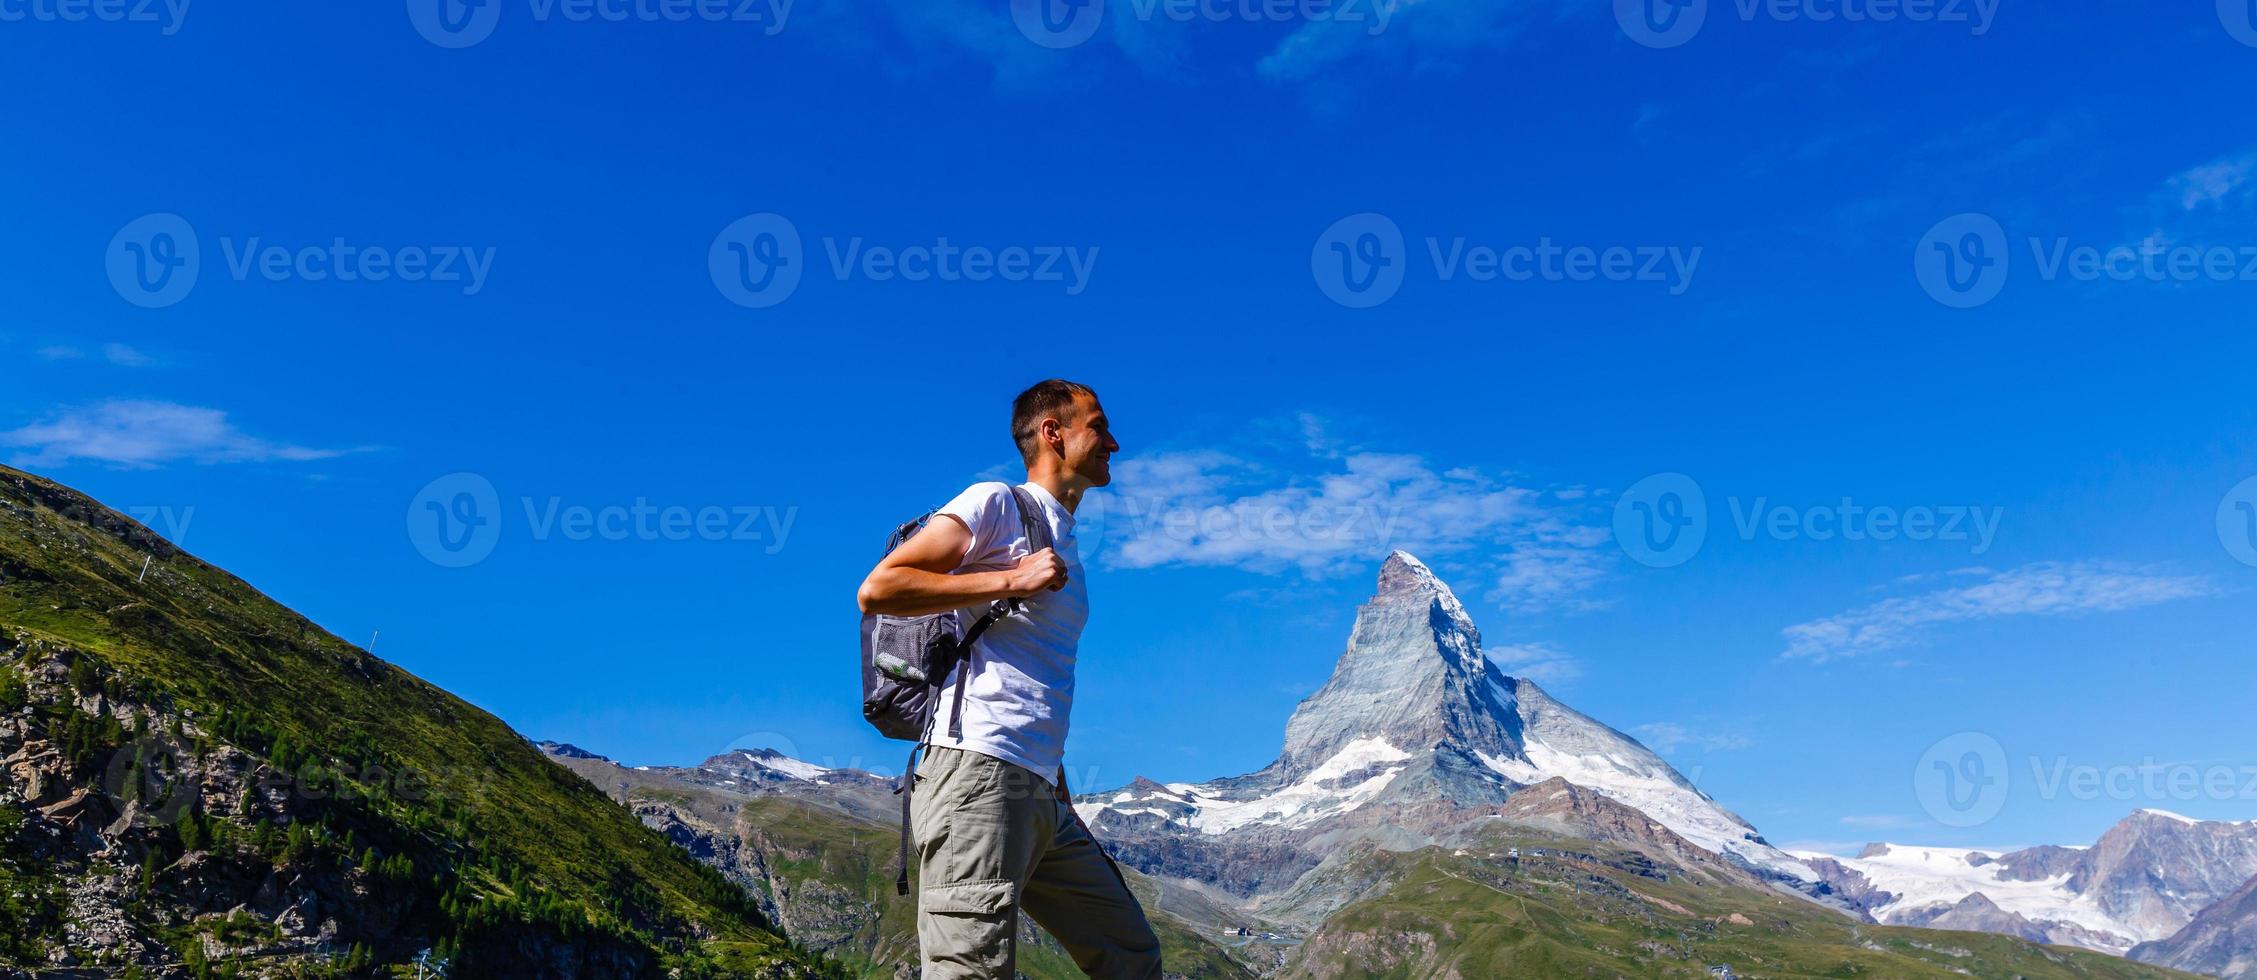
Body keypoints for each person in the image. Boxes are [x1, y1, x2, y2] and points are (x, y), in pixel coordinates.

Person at [855, 379, 1161, 979]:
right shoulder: (996, 502)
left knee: (1130, 952)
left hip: (1041, 787)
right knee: (970, 971)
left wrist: (1057, 776)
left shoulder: (1066, 542)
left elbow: (1033, 671)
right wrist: (1009, 581)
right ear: (1054, 433)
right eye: (1098, 427)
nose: (1114, 443)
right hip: (977, 771)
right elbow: (880, 588)